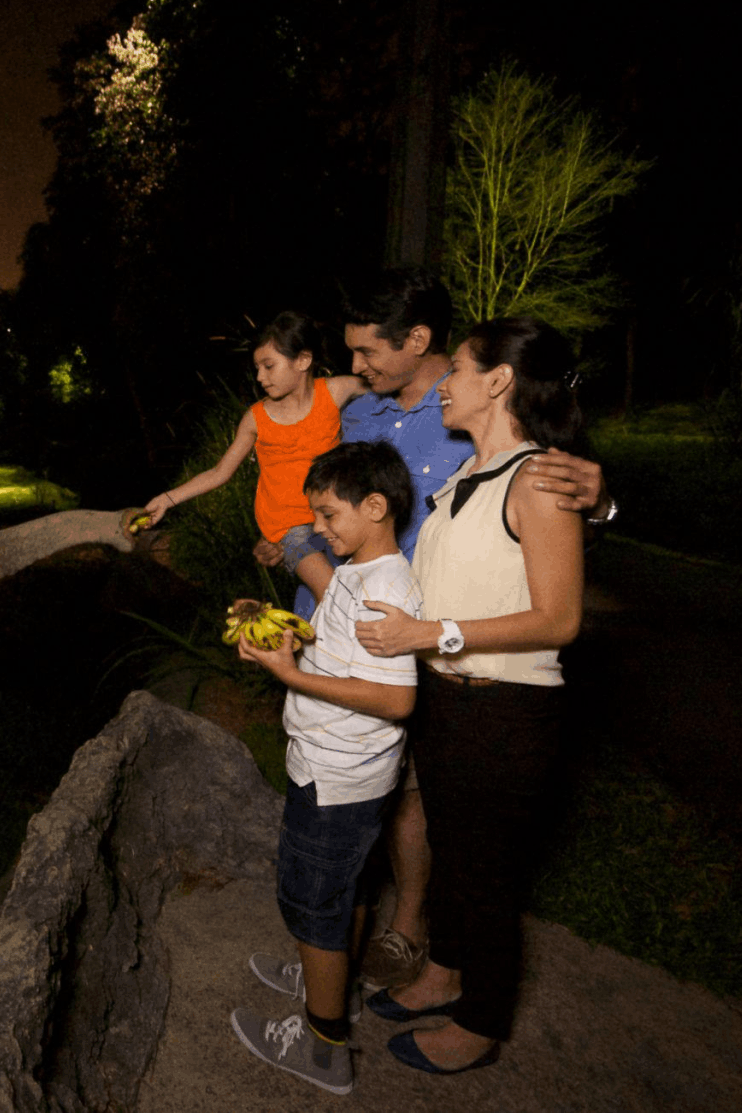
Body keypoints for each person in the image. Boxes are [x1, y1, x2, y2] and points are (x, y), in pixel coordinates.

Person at [252, 267, 612, 994]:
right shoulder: (359, 414)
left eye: (366, 352)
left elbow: (550, 509)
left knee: (416, 798)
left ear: (416, 340)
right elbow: (320, 490)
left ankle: (409, 929)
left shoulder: (471, 420)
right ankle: (338, 946)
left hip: (432, 642)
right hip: (348, 628)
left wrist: (600, 504)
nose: (354, 366)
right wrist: (296, 543)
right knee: (357, 793)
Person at [352, 317, 587, 1074]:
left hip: (505, 709)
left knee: (485, 871)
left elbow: (558, 617)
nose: (443, 383)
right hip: (451, 701)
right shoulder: (467, 473)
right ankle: (441, 973)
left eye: (455, 368)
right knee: (455, 854)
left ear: (498, 381)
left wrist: (431, 635)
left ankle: (480, 1023)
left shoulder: (539, 479)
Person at [229, 440, 422, 1095]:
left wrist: (290, 676)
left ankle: (322, 1045)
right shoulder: (356, 569)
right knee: (350, 889)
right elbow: (339, 650)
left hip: (338, 776)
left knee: (311, 902)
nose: (317, 527)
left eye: (327, 513)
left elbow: (396, 697)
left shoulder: (383, 590)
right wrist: (285, 636)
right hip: (344, 770)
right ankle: (333, 980)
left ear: (374, 507)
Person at [141, 312, 367, 602]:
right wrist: (167, 499)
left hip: (334, 516)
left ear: (302, 360)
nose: (260, 377)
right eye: (257, 368)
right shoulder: (256, 419)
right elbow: (219, 473)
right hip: (288, 529)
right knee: (332, 594)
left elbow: (386, 385)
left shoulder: (335, 392)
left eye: (269, 366)